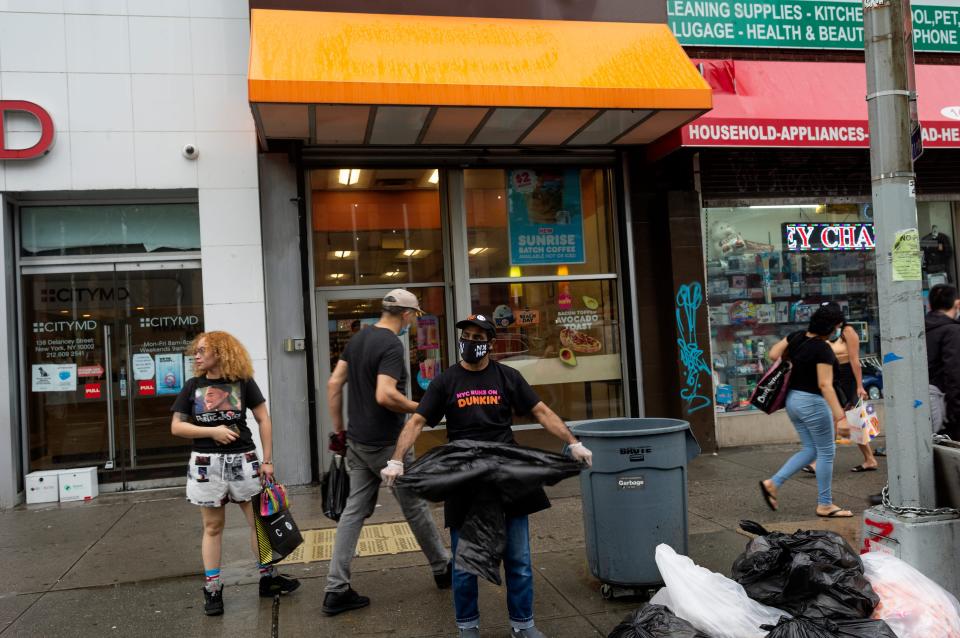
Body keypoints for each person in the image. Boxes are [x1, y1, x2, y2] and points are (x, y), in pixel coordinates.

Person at [381, 314, 593, 638]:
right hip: (463, 478)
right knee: (465, 564)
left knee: (519, 560)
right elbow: (416, 422)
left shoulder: (508, 377)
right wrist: (397, 460)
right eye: (467, 336)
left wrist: (573, 442)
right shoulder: (446, 381)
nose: (471, 342)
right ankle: (467, 627)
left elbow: (541, 412)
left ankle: (523, 625)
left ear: (490, 344)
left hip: (507, 475)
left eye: (479, 337)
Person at [323, 289, 451, 616]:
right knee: (415, 507)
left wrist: (340, 430)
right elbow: (385, 395)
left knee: (354, 511)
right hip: (386, 444)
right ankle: (442, 567)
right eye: (415, 316)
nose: (414, 320)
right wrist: (422, 408)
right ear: (406, 314)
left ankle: (336, 589)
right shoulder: (392, 344)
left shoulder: (359, 339)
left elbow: (334, 385)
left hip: (357, 441)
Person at [171, 331, 299, 617]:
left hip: (244, 460)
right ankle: (213, 588)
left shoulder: (243, 383)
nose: (197, 355)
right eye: (197, 350)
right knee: (213, 527)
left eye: (203, 350)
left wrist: (268, 460)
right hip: (207, 464)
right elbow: (177, 427)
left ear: (221, 352)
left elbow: (263, 418)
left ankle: (268, 578)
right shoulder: (193, 386)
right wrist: (212, 431)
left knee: (258, 523)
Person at [759, 304, 853, 518]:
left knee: (811, 449)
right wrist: (841, 417)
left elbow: (774, 353)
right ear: (831, 327)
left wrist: (795, 361)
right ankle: (825, 504)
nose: (838, 331)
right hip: (812, 403)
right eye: (838, 326)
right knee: (827, 451)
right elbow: (825, 385)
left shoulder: (797, 336)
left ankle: (773, 484)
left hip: (793, 401)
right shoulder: (823, 349)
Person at [802, 302, 877, 474]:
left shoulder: (848, 331)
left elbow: (855, 360)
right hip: (833, 377)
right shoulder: (826, 332)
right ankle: (870, 459)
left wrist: (860, 386)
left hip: (848, 378)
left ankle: (819, 462)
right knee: (850, 422)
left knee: (850, 420)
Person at [926, 284, 960, 438]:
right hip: (944, 410)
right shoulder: (952, 331)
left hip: (924, 407)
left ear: (929, 305)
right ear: (957, 304)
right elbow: (954, 375)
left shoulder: (920, 329)